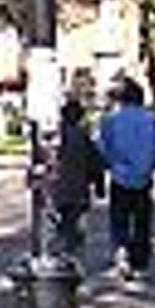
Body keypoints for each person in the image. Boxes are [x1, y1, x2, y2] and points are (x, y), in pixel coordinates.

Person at [96, 76, 155, 280]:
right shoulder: (150, 119)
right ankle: (140, 257)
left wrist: (109, 164)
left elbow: (101, 148)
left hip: (120, 176)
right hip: (144, 177)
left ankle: (122, 253)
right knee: (142, 219)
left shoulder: (110, 120)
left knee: (119, 218)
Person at [52, 99, 106, 258]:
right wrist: (99, 185)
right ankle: (71, 254)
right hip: (78, 191)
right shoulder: (83, 137)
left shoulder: (55, 138)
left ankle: (62, 251)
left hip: (58, 190)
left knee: (62, 222)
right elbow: (95, 163)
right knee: (75, 225)